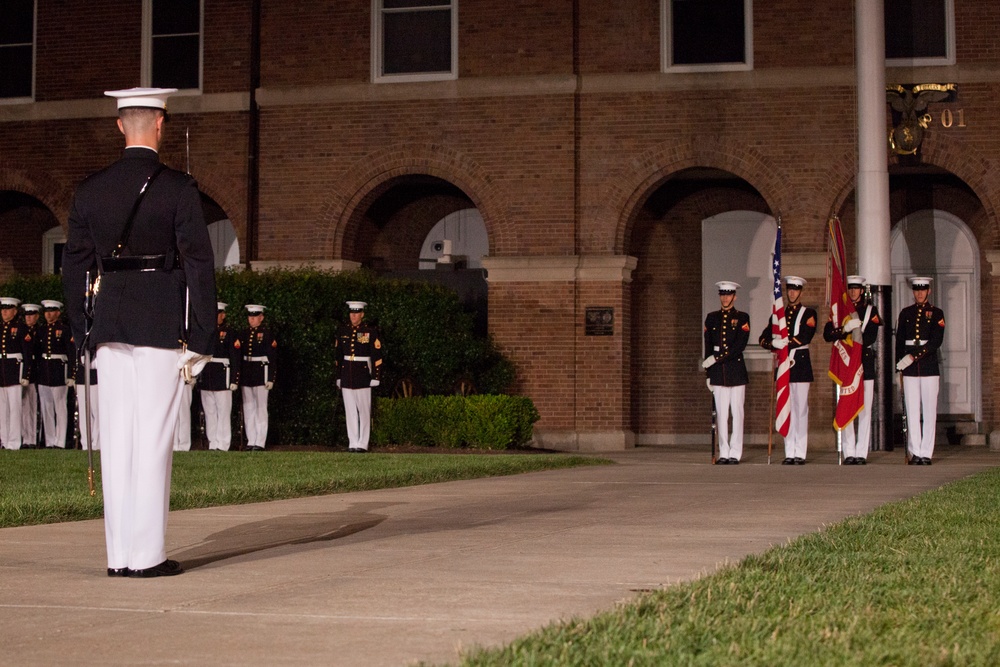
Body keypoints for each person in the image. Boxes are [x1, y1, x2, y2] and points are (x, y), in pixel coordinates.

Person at [62, 87, 216, 578]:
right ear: (160, 124)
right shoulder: (178, 188)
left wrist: (81, 329)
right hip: (159, 323)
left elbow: (74, 268)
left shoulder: (91, 189)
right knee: (152, 438)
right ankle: (146, 556)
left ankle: (119, 556)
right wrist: (202, 337)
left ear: (120, 125)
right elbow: (199, 265)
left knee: (117, 439)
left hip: (108, 325)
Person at [823, 276, 882, 464]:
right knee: (847, 405)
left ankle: (861, 453)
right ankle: (849, 452)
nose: (853, 292)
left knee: (864, 410)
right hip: (847, 366)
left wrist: (854, 338)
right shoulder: (841, 311)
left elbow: (871, 337)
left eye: (856, 289)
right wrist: (845, 329)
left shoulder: (870, 311)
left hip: (864, 365)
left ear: (862, 291)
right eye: (851, 289)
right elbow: (827, 334)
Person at [760, 276, 816, 465]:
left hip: (800, 364)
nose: (792, 293)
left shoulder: (808, 313)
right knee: (786, 408)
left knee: (801, 410)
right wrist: (773, 343)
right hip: (784, 365)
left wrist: (786, 343)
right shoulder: (779, 315)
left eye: (795, 290)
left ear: (801, 292)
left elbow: (806, 336)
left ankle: (800, 452)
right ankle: (789, 451)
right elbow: (763, 338)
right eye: (789, 289)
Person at [896, 276, 945, 465]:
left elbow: (936, 341)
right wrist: (898, 365)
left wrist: (914, 356)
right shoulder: (905, 313)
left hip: (928, 366)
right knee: (912, 410)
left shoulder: (937, 313)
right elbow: (900, 342)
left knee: (929, 411)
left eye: (923, 290)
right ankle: (915, 451)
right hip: (908, 368)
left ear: (928, 291)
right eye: (917, 290)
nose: (920, 293)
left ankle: (926, 453)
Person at [702, 282, 750, 464]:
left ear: (734, 297)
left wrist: (716, 358)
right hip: (718, 373)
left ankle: (735, 452)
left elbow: (739, 346)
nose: (725, 298)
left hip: (735, 371)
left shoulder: (742, 318)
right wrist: (708, 373)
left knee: (737, 413)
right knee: (721, 415)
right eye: (722, 294)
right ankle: (724, 452)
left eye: (728, 294)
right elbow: (708, 346)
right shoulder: (711, 318)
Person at [335, 301, 384, 453]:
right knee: (350, 411)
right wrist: (338, 376)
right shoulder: (343, 330)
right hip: (346, 374)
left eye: (356, 313)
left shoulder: (369, 331)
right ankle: (353, 442)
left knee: (363, 410)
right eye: (352, 313)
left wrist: (376, 376)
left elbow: (376, 355)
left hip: (363, 375)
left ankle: (362, 443)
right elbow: (338, 355)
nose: (353, 316)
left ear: (362, 314)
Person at [199, 302, 240, 451]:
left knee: (223, 412)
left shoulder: (229, 332)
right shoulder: (205, 331)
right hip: (207, 374)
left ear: (223, 315)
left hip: (223, 376)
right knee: (209, 411)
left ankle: (223, 443)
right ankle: (213, 442)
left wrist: (235, 379)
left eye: (218, 314)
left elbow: (235, 357)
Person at [236, 304, 277, 451]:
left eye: (255, 317)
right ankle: (251, 439)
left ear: (261, 318)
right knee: (248, 407)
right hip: (247, 373)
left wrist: (271, 378)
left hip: (261, 373)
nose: (251, 319)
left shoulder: (267, 334)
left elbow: (272, 358)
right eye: (250, 316)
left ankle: (260, 441)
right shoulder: (243, 333)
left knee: (260, 407)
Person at [35, 300, 73, 449]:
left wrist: (71, 374)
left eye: (51, 311)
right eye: (46, 311)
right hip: (44, 371)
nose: (48, 314)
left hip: (58, 370)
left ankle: (60, 441)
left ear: (58, 313)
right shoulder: (41, 330)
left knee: (60, 407)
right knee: (46, 407)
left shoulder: (64, 329)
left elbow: (70, 353)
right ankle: (50, 440)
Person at [0, 297, 32, 450]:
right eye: (3, 309)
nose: (4, 312)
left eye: (8, 309)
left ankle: (13, 442)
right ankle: (4, 440)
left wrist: (25, 375)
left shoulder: (21, 328)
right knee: (2, 410)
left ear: (14, 311)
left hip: (14, 371)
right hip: (2, 371)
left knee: (14, 409)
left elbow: (27, 354)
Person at [20, 303, 41, 449]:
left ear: (37, 316)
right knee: (23, 407)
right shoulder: (22, 331)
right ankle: (24, 437)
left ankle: (32, 438)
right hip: (22, 372)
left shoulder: (39, 331)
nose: (28, 318)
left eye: (31, 315)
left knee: (32, 407)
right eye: (26, 315)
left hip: (35, 373)